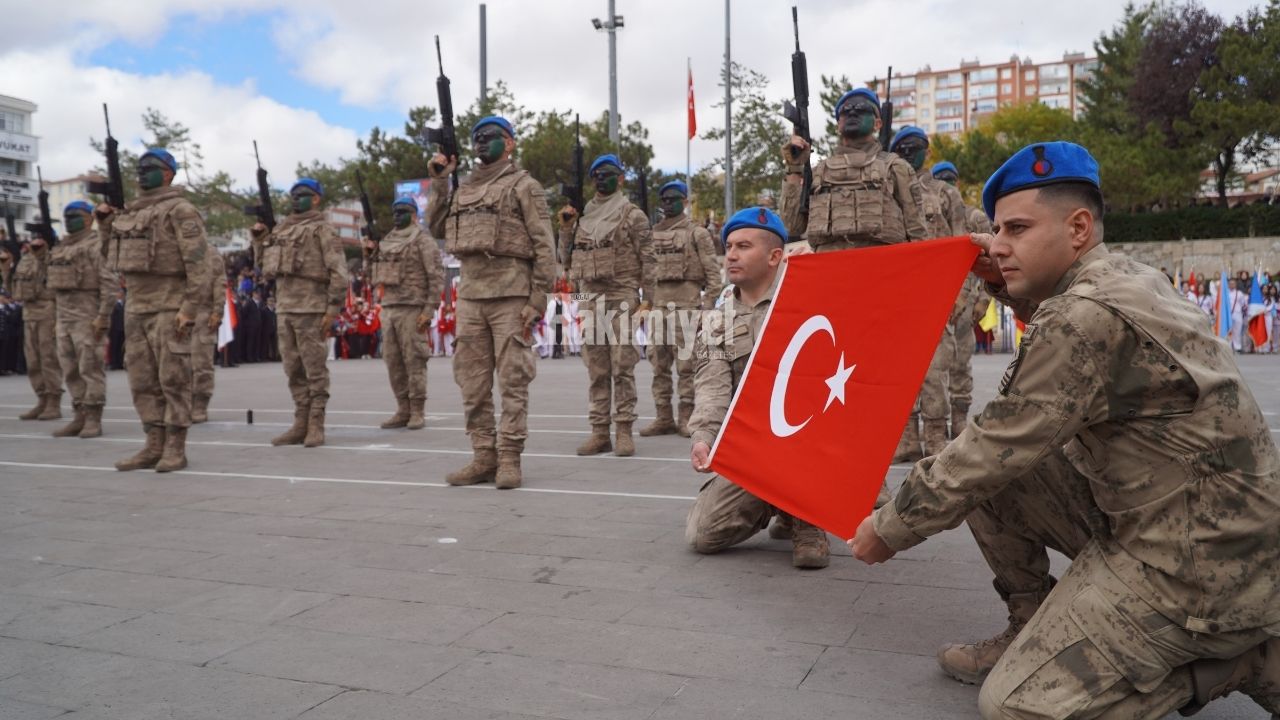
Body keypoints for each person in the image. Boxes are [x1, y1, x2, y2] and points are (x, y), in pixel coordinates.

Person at [848, 141, 1280, 719]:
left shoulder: (1083, 316)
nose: (998, 245)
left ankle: (1236, 659)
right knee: (996, 477)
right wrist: (1003, 281)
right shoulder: (1127, 276)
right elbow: (1085, 357)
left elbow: (996, 444)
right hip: (1194, 521)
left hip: (1198, 565)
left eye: (1017, 229)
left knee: (1017, 705)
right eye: (997, 229)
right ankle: (1031, 622)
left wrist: (891, 526)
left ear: (1078, 228)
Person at [685, 207, 830, 569]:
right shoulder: (717, 320)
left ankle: (808, 518)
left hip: (809, 438)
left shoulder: (807, 302)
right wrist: (704, 436)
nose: (731, 254)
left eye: (744, 246)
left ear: (774, 256)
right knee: (703, 535)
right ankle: (775, 501)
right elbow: (712, 387)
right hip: (754, 447)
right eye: (729, 246)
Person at [427, 115, 555, 489]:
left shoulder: (524, 186)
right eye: (476, 138)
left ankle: (510, 458)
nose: (482, 142)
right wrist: (439, 179)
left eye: (491, 136)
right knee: (472, 381)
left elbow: (545, 246)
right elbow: (434, 227)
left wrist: (537, 298)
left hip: (511, 296)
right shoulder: (462, 189)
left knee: (513, 380)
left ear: (510, 143)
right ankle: (483, 455)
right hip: (470, 297)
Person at [96, 147, 212, 471]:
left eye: (151, 167)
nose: (142, 172)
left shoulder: (180, 210)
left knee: (173, 378)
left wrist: (189, 308)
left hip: (169, 305)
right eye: (140, 167)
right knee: (141, 380)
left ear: (168, 173)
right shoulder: (129, 213)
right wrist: (105, 225)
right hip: (136, 306)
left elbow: (200, 265)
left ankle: (176, 447)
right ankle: (153, 443)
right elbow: (109, 258)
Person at [560, 153, 655, 457]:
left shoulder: (632, 215)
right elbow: (568, 260)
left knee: (622, 366)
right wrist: (565, 228)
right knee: (596, 368)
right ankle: (599, 432)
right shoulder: (582, 216)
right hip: (589, 297)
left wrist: (648, 298)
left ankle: (624, 429)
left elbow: (648, 258)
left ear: (621, 178)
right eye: (597, 175)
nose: (602, 178)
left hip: (621, 294)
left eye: (608, 173)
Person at [253, 177, 349, 448]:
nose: (296, 199)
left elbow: (339, 273)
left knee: (314, 368)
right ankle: (300, 421)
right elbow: (264, 266)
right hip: (285, 308)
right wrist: (259, 240)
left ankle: (316, 423)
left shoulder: (322, 230)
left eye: (303, 194)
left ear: (316, 199)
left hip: (311, 309)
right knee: (293, 368)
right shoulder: (281, 230)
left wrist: (332, 309)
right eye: (293, 195)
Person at [641, 180, 723, 438]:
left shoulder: (696, 233)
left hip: (687, 306)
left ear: (685, 201)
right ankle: (663, 416)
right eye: (663, 200)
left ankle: (686, 416)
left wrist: (706, 308)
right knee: (658, 364)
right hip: (658, 307)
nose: (667, 204)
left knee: (686, 366)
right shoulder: (651, 234)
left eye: (673, 199)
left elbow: (713, 275)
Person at [365, 196, 444, 430]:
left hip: (413, 309)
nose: (397, 216)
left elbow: (436, 276)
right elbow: (373, 275)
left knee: (414, 360)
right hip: (388, 308)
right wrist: (367, 254)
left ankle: (417, 410)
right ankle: (402, 408)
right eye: (394, 212)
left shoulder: (422, 239)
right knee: (393, 362)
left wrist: (429, 309)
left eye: (402, 212)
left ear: (413, 215)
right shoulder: (387, 241)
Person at [46, 201, 117, 438]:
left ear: (89, 219)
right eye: (66, 216)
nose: (69, 220)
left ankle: (93, 418)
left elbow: (109, 284)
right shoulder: (60, 248)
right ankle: (79, 415)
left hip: (87, 316)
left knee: (90, 369)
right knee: (70, 369)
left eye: (75, 216)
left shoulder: (96, 246)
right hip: (64, 317)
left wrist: (103, 317)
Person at [932, 160, 988, 439]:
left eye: (949, 179)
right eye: (940, 179)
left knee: (960, 364)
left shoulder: (975, 217)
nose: (946, 184)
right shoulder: (928, 218)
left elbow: (991, 260)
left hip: (966, 301)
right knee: (933, 365)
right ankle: (936, 425)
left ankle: (959, 422)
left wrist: (983, 300)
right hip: (936, 298)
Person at [6, 231, 62, 420]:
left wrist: (41, 252)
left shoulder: (50, 256)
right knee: (32, 361)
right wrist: (6, 269)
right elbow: (13, 289)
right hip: (28, 313)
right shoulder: (24, 260)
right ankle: (42, 399)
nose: (34, 242)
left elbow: (48, 273)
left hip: (47, 312)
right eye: (33, 238)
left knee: (48, 359)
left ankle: (54, 401)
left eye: (39, 238)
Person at [190, 243, 225, 423]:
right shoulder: (174, 247)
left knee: (201, 364)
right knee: (176, 365)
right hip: (178, 313)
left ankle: (200, 405)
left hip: (203, 314)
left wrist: (217, 311)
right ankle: (182, 404)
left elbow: (219, 282)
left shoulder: (210, 252)